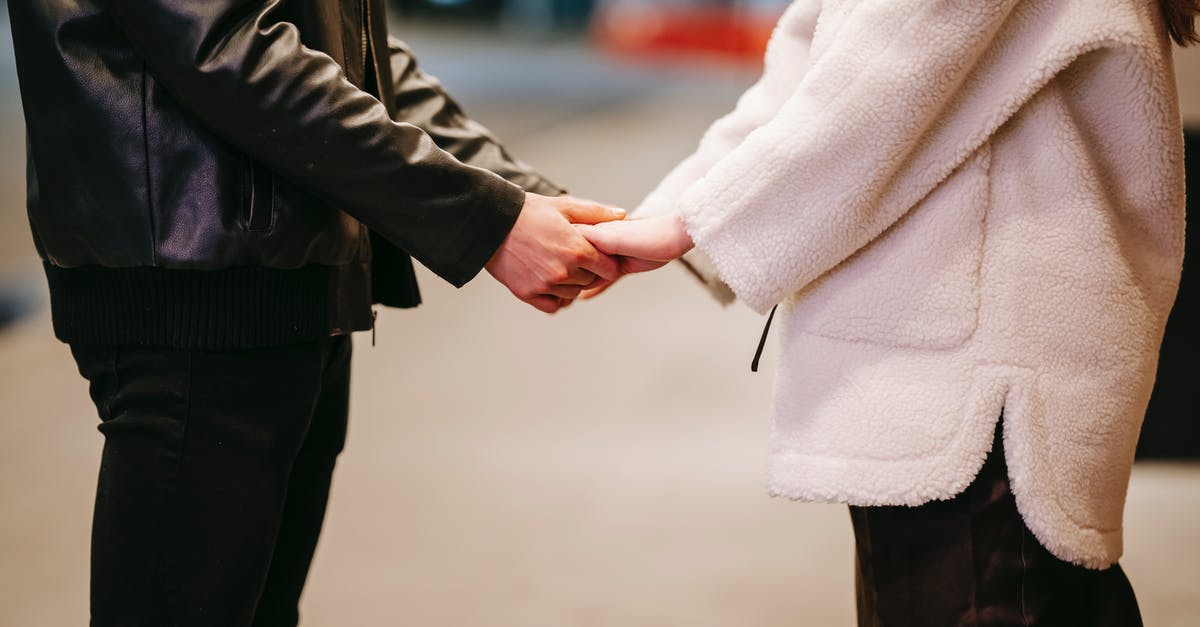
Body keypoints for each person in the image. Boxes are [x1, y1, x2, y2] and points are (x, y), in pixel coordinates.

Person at [7, 0, 624, 625]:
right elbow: (224, 47)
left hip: (291, 276)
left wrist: (523, 200)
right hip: (196, 285)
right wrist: (486, 220)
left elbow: (352, 49)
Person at [580, 0, 1196, 624]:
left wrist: (696, 222)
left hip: (981, 370)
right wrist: (670, 217)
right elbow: (821, 54)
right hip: (950, 350)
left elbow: (893, 60)